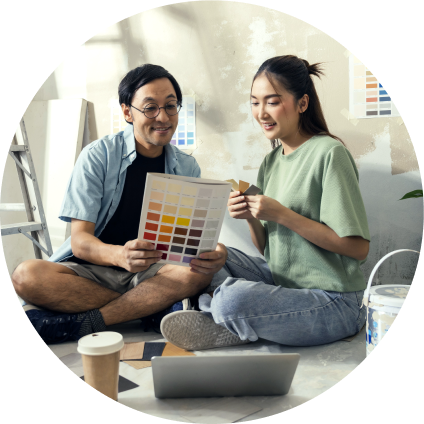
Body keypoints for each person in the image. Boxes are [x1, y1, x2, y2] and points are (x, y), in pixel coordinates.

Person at [160, 55, 371, 350]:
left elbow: (358, 249)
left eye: (272, 101)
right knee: (214, 254)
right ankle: (230, 315)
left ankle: (216, 312)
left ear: (302, 103)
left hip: (332, 300)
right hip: (282, 283)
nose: (261, 113)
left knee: (234, 298)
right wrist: (249, 216)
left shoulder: (329, 153)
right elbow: (270, 251)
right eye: (255, 102)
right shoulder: (270, 162)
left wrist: (284, 215)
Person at [12, 64, 228, 345]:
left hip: (155, 272)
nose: (163, 117)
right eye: (150, 107)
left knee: (200, 273)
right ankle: (156, 310)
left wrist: (214, 252)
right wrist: (120, 256)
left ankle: (87, 323)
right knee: (26, 276)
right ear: (127, 112)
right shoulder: (98, 156)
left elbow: (188, 242)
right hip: (93, 270)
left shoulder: (186, 166)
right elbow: (80, 241)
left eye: (171, 106)